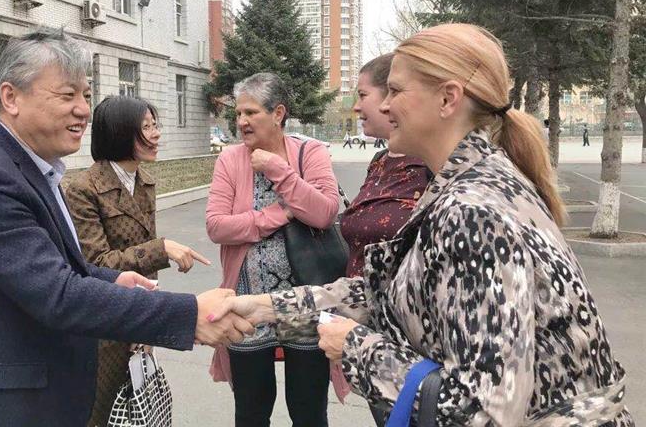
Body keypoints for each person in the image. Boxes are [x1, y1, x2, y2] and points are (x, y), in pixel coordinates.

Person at [213, 24, 632, 426]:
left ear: (448, 99)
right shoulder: (466, 182)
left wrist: (356, 347)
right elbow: (390, 292)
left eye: (395, 91)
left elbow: (481, 411)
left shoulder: (473, 211)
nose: (383, 106)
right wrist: (267, 307)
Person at [0, 27, 252, 427]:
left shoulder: (35, 171)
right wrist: (189, 314)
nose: (83, 110)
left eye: (86, 96)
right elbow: (57, 294)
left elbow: (49, 267)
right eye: (67, 95)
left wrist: (111, 279)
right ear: (11, 97)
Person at [205, 72, 343, 426]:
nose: (241, 121)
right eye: (238, 113)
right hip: (247, 303)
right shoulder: (230, 160)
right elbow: (217, 226)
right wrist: (278, 214)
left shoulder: (310, 153)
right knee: (251, 412)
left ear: (278, 113)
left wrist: (278, 170)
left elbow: (325, 213)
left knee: (309, 412)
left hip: (305, 303)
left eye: (251, 112)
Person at [66, 95, 212, 426]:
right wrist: (162, 249)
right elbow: (96, 263)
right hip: (100, 325)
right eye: (146, 127)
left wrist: (148, 322)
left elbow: (146, 262)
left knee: (133, 410)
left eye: (155, 125)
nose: (156, 134)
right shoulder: (84, 189)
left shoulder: (144, 180)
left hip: (136, 318)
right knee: (98, 413)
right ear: (119, 132)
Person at [345, 53, 430, 279]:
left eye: (363, 95)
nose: (356, 107)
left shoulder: (435, 167)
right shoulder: (380, 161)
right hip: (357, 297)